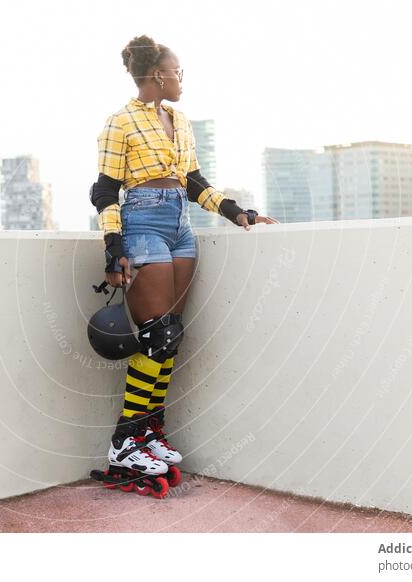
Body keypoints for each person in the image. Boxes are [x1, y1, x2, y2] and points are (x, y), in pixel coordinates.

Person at [89, 35, 278, 496]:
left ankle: (150, 432)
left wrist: (235, 212)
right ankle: (124, 441)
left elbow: (193, 181)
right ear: (158, 75)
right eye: (177, 72)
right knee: (154, 332)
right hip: (142, 222)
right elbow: (105, 190)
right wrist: (114, 248)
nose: (180, 79)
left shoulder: (179, 120)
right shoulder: (120, 122)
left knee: (169, 335)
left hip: (180, 225)